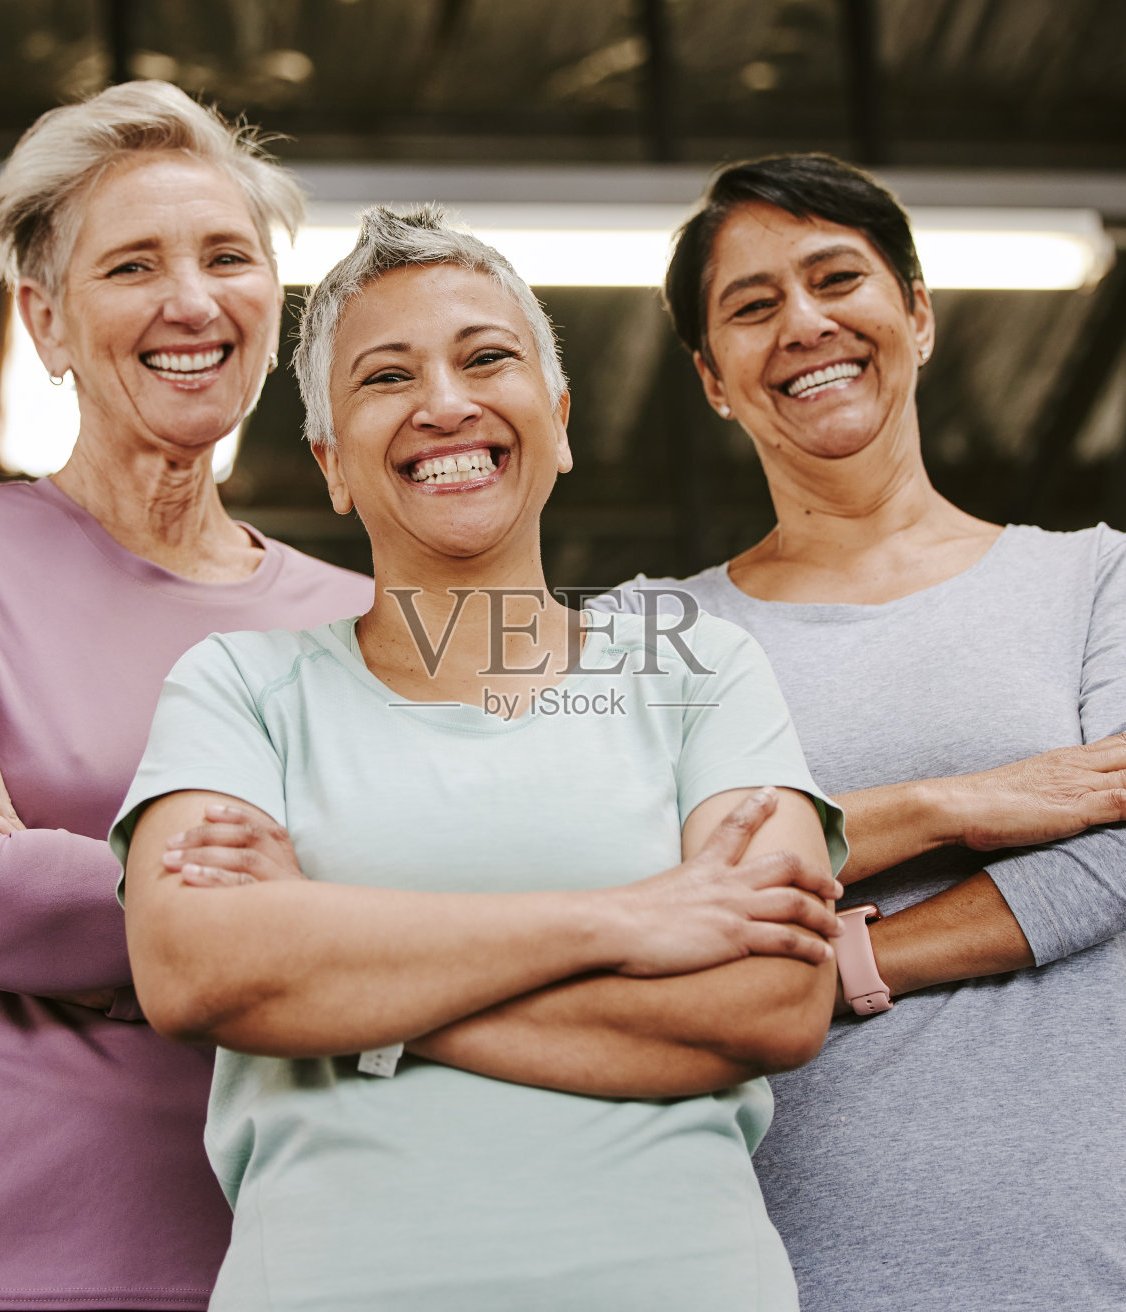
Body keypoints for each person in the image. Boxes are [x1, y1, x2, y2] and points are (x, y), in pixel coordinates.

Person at [112, 205, 851, 1311]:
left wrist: (346, 981)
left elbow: (773, 999)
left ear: (556, 420)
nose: (445, 403)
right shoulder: (236, 690)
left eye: (487, 357)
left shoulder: (699, 668)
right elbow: (195, 971)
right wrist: (624, 919)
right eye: (385, 377)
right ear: (331, 464)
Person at [591, 153, 1126, 1310]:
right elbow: (626, 892)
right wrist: (966, 802)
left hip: (1110, 1249)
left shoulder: (1090, 576)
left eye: (837, 277)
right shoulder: (652, 630)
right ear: (710, 378)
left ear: (917, 315)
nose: (802, 323)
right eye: (751, 306)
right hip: (793, 1261)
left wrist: (848, 961)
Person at [0, 81, 371, 1312]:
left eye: (228, 257)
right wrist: (297, 901)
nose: (191, 301)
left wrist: (79, 886)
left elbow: (427, 923)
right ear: (46, 323)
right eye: (133, 265)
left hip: (280, 1262)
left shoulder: (353, 620)